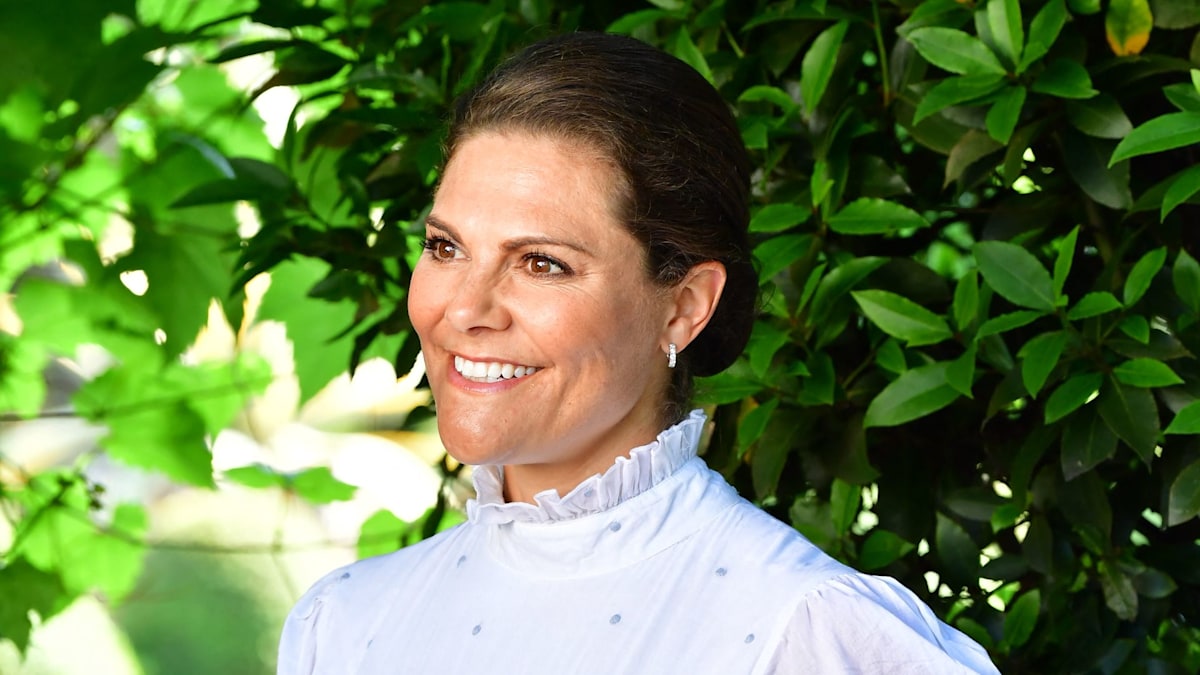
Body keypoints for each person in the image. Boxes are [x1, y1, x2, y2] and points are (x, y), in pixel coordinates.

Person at [277, 32, 1000, 674]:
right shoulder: (342, 624)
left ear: (683, 306)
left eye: (541, 263)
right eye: (445, 247)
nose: (463, 310)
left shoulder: (806, 631)